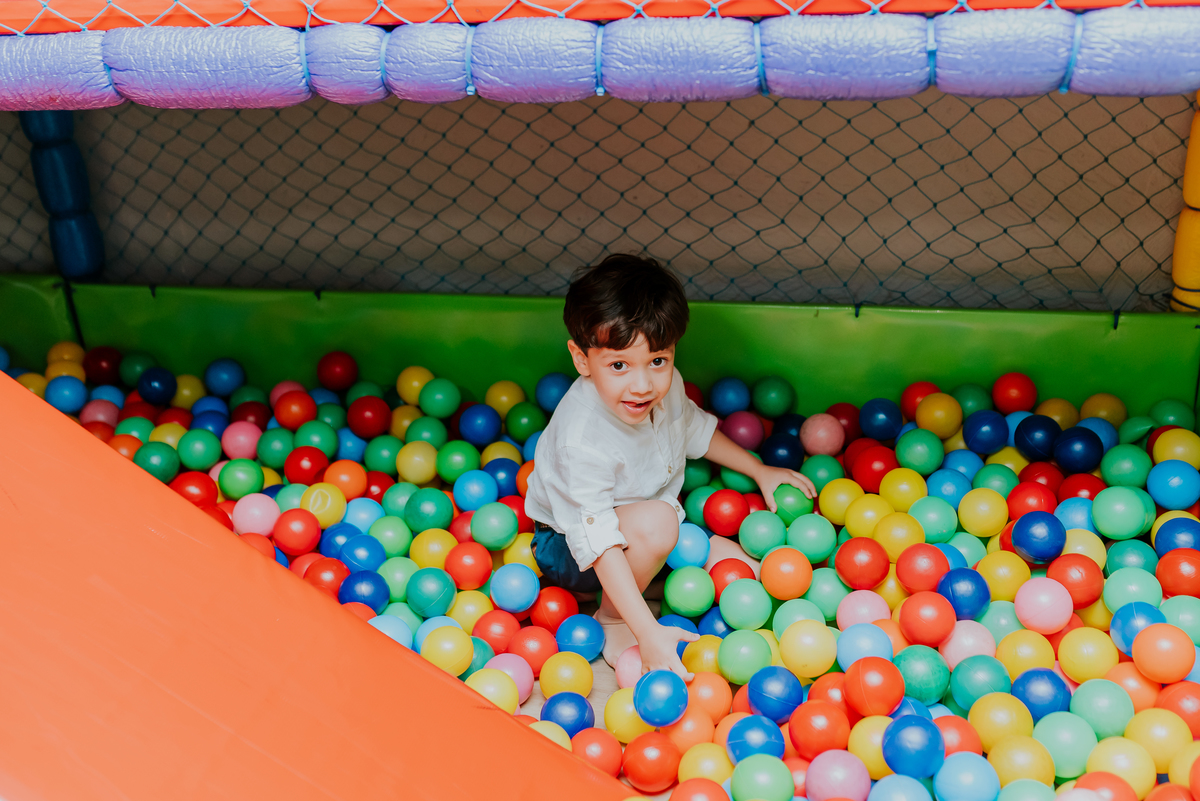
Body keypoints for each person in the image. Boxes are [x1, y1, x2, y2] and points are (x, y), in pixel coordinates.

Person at [525, 254, 816, 678]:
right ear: (582, 358)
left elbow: (693, 429)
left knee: (751, 570)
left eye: (658, 361)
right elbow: (598, 541)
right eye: (619, 365)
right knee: (662, 524)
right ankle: (612, 617)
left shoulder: (664, 387)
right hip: (570, 548)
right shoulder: (581, 440)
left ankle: (653, 572)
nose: (642, 385)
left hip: (647, 523)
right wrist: (646, 630)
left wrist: (759, 470)